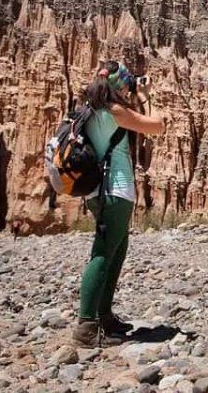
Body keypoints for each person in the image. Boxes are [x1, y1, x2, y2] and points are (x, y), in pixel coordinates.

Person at [72, 60, 164, 346]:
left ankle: (104, 317)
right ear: (118, 85)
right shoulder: (113, 111)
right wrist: (146, 96)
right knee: (102, 253)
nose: (128, 90)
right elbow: (158, 125)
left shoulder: (89, 110)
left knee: (116, 251)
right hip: (114, 190)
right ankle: (86, 327)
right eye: (125, 85)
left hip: (100, 192)